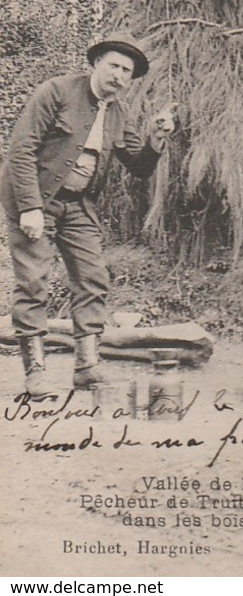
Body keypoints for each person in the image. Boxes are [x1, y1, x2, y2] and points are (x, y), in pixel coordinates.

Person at [0, 33, 175, 396]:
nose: (119, 76)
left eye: (127, 71)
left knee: (93, 277)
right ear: (96, 63)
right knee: (33, 282)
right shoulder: (57, 92)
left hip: (80, 206)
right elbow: (21, 150)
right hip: (36, 198)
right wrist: (30, 208)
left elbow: (139, 166)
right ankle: (35, 375)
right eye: (114, 65)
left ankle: (87, 367)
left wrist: (156, 137)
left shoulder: (119, 112)